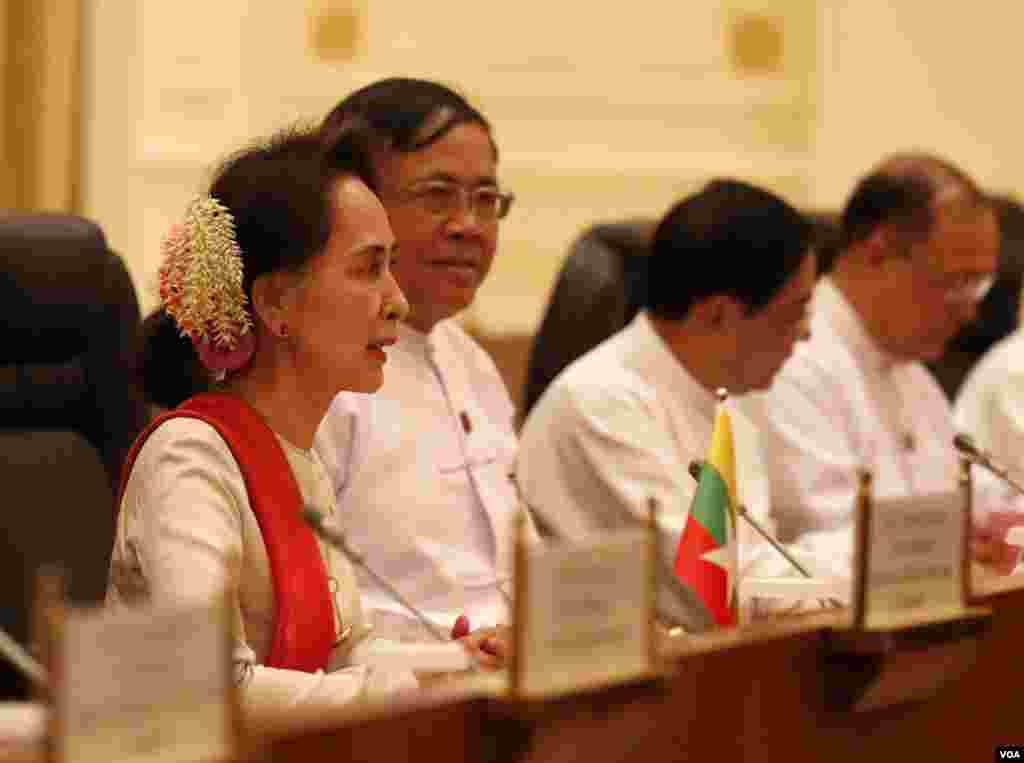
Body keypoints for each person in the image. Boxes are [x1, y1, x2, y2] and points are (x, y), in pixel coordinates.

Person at [107, 126, 418, 714]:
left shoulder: (301, 457)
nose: (398, 300)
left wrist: (464, 673)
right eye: (369, 269)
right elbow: (205, 688)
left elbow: (346, 658)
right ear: (275, 303)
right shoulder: (190, 457)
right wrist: (393, 696)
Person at [515, 179, 833, 619]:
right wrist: (867, 582)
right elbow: (713, 592)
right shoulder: (601, 403)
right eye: (795, 312)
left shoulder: (730, 399)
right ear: (718, 314)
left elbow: (767, 564)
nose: (806, 333)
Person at [313, 78, 530, 657]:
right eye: (438, 196)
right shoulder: (313, 375)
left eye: (487, 200)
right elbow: (301, 629)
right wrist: (452, 661)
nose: (469, 226)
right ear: (356, 205)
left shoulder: (471, 362)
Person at [744, 153, 1021, 574]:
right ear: (878, 254)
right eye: (957, 283)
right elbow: (827, 540)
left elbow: (982, 505)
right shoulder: (789, 362)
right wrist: (954, 545)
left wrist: (1002, 526)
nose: (969, 313)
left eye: (979, 286)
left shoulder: (913, 374)